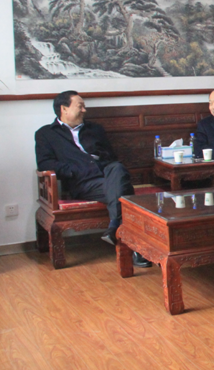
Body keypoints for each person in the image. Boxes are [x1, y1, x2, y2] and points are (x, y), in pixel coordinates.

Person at [35, 91, 151, 267]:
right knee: (126, 193)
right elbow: (45, 163)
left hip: (107, 175)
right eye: (80, 106)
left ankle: (115, 228)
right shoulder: (45, 134)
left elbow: (111, 156)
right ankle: (132, 245)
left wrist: (99, 162)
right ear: (64, 109)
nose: (84, 110)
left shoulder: (95, 129)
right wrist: (75, 170)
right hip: (82, 182)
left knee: (117, 168)